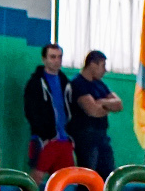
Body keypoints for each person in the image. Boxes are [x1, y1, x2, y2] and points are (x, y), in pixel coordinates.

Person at [64, 50, 123, 179]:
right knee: (88, 178)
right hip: (85, 137)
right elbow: (93, 111)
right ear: (92, 64)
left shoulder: (100, 85)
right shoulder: (78, 83)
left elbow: (119, 105)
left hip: (102, 135)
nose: (105, 70)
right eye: (103, 66)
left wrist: (101, 102)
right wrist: (107, 106)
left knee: (108, 176)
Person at [22, 44, 72, 179]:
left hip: (64, 140)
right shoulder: (35, 83)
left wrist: (70, 136)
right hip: (45, 140)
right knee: (36, 177)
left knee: (64, 180)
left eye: (59, 57)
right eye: (53, 57)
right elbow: (30, 112)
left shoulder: (65, 83)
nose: (57, 60)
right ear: (44, 59)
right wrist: (43, 135)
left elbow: (69, 110)